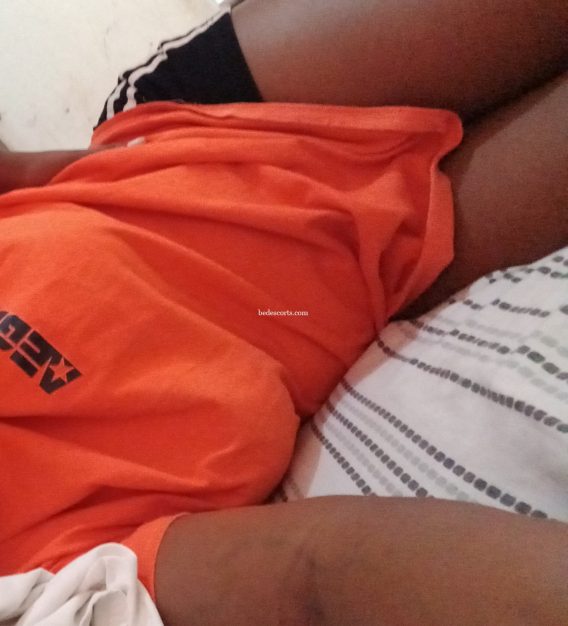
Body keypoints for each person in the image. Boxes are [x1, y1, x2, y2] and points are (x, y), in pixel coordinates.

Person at [0, 1, 566, 624]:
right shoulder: (49, 587)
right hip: (389, 265)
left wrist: (116, 158)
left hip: (206, 119)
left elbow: (14, 171)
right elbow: (319, 571)